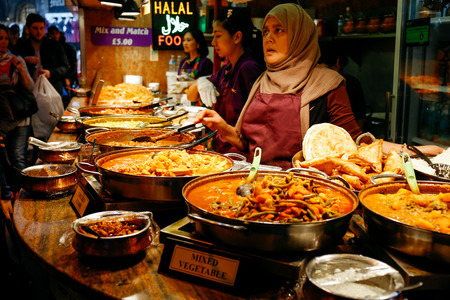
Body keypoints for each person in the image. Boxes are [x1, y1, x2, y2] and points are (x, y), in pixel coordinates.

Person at [194, 3, 443, 169]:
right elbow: (249, 144)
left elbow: (356, 142)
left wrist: (414, 150)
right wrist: (225, 128)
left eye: (279, 30)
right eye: (267, 31)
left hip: (299, 191)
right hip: (251, 181)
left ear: (301, 36)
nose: (268, 38)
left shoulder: (328, 84)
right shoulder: (262, 81)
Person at [187, 8, 265, 153]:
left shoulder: (248, 68)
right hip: (223, 148)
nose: (214, 43)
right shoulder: (228, 68)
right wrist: (201, 82)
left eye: (218, 36)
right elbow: (190, 96)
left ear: (236, 37)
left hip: (240, 153)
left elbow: (255, 126)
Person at [0, 24, 34, 201]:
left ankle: (25, 196)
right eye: (0, 38)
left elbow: (30, 86)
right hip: (3, 118)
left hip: (20, 116)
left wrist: (21, 68)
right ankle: (11, 194)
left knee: (18, 156)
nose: (4, 42)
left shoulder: (16, 59)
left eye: (6, 38)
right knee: (5, 161)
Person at [12, 13, 69, 98]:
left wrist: (50, 73)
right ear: (28, 29)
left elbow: (65, 67)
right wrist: (24, 60)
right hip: (28, 96)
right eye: (35, 28)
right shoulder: (21, 46)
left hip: (52, 92)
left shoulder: (54, 45)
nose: (39, 32)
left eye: (41, 28)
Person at [318, 42, 366, 131]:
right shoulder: (348, 81)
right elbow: (359, 119)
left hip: (315, 139)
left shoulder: (307, 79)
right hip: (343, 138)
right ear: (338, 62)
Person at [168, 29, 213, 96]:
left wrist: (188, 82)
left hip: (199, 101)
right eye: (184, 40)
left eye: (188, 40)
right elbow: (178, 81)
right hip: (184, 99)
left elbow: (209, 83)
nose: (185, 43)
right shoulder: (183, 62)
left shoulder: (205, 62)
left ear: (198, 43)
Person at [47, 25, 77, 108]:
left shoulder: (67, 47)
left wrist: (68, 78)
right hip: (54, 81)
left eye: (56, 33)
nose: (55, 36)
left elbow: (73, 65)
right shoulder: (48, 47)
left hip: (66, 80)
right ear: (48, 35)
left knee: (65, 102)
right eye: (52, 34)